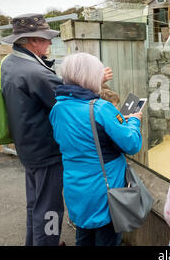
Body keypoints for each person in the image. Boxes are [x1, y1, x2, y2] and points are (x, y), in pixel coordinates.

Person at [0, 13, 113, 246]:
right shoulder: (36, 73)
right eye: (46, 38)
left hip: (27, 148)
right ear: (32, 40)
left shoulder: (10, 63)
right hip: (46, 154)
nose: (50, 43)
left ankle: (36, 242)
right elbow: (71, 100)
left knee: (35, 204)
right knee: (50, 210)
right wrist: (95, 80)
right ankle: (48, 242)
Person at [49, 52, 143, 246]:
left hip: (76, 188)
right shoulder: (100, 108)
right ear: (91, 77)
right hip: (104, 192)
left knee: (83, 236)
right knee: (106, 238)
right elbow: (132, 144)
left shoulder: (57, 108)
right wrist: (133, 120)